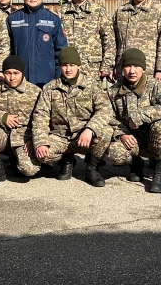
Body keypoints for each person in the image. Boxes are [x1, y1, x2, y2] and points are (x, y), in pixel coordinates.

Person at [26, 47, 115, 187]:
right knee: (41, 155)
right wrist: (41, 141)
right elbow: (40, 116)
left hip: (83, 137)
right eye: (64, 65)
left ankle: (92, 168)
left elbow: (105, 110)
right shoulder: (50, 88)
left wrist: (90, 129)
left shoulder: (91, 85)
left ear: (78, 66)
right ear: (60, 66)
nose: (68, 69)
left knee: (106, 132)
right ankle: (66, 161)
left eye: (72, 65)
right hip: (60, 137)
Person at [103, 48, 161, 194]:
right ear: (122, 69)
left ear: (143, 68)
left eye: (136, 66)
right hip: (132, 140)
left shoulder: (155, 86)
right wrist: (122, 134)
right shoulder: (113, 91)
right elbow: (107, 116)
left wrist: (141, 115)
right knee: (114, 153)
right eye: (127, 66)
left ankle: (160, 171)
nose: (132, 71)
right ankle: (135, 164)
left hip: (154, 139)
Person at [0, 55, 42, 186]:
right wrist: (2, 117)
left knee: (28, 170)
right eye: (8, 73)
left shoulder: (35, 92)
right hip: (2, 136)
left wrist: (33, 139)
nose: (12, 77)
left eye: (16, 73)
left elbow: (42, 120)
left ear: (22, 73)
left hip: (23, 140)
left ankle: (17, 161)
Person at [6, 0, 67, 88]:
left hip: (47, 80)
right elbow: (7, 50)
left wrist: (58, 76)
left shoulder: (53, 19)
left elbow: (61, 51)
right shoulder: (12, 19)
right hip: (20, 80)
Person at [112, 0, 161, 82]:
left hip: (149, 71)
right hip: (124, 70)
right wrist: (111, 66)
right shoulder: (121, 11)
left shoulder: (159, 11)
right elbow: (113, 41)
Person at [58, 0, 114, 83]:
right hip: (68, 69)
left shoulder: (98, 11)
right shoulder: (61, 12)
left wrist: (107, 65)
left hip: (92, 69)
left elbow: (109, 40)